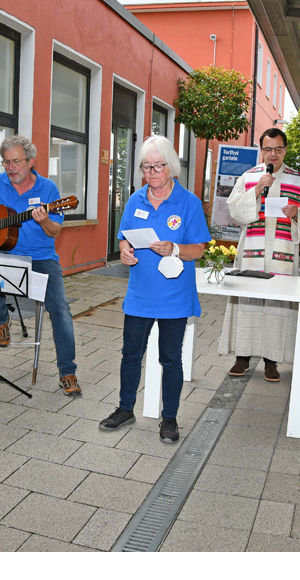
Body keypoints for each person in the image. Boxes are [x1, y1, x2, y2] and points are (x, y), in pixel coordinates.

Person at [98, 135, 210, 443]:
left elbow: (198, 250)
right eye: (146, 167)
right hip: (140, 295)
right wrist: (123, 250)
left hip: (175, 296)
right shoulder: (136, 200)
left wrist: (175, 247)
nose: (152, 173)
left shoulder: (189, 203)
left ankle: (170, 418)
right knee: (131, 353)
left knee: (171, 358)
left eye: (158, 166)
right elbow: (124, 237)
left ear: (171, 166)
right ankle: (125, 409)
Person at [0, 135, 80, 396]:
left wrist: (45, 220)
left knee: (60, 309)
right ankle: (1, 321)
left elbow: (55, 231)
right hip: (2, 254)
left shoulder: (48, 190)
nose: (11, 167)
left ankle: (67, 372)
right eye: (6, 162)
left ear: (31, 161)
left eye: (16, 161)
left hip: (41, 257)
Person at [218, 127, 300, 380]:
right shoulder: (249, 176)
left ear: (285, 150)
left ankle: (271, 361)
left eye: (278, 148)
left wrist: (297, 215)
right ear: (261, 150)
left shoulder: (298, 180)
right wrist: (256, 190)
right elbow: (235, 210)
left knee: (277, 305)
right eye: (268, 149)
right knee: (248, 302)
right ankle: (242, 358)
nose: (273, 154)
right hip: (253, 251)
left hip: (282, 255)